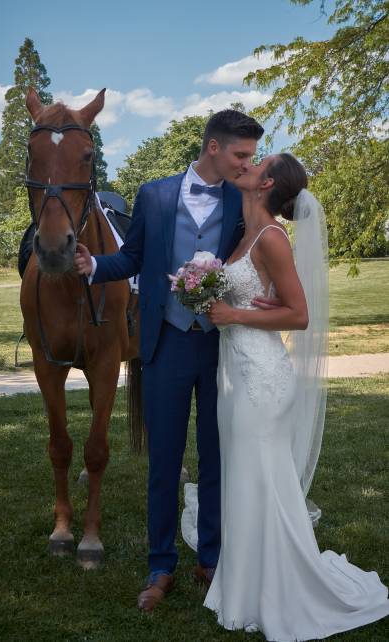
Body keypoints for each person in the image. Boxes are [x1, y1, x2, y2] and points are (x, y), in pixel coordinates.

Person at [73, 110, 266, 612]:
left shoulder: (242, 200)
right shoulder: (154, 195)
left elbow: (258, 255)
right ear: (213, 149)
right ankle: (161, 566)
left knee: (217, 457)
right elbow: (133, 257)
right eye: (242, 155)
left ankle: (212, 559)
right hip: (166, 344)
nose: (249, 164)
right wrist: (94, 265)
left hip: (223, 346)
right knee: (164, 461)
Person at [202, 152, 389, 640]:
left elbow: (299, 315)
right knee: (245, 476)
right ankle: (244, 585)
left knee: (262, 477)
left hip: (262, 380)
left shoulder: (272, 238)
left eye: (255, 162)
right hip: (237, 375)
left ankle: (280, 587)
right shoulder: (244, 236)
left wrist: (235, 315)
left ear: (266, 185)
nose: (244, 165)